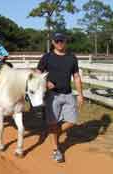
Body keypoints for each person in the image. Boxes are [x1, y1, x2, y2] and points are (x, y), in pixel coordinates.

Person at [37, 33, 84, 163]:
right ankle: (56, 149)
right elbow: (37, 75)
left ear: (65, 42)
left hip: (68, 94)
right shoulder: (47, 57)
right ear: (53, 42)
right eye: (57, 41)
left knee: (72, 121)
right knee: (53, 122)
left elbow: (76, 77)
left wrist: (80, 94)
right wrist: (45, 83)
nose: (59, 43)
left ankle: (54, 133)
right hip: (52, 96)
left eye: (62, 40)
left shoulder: (72, 58)